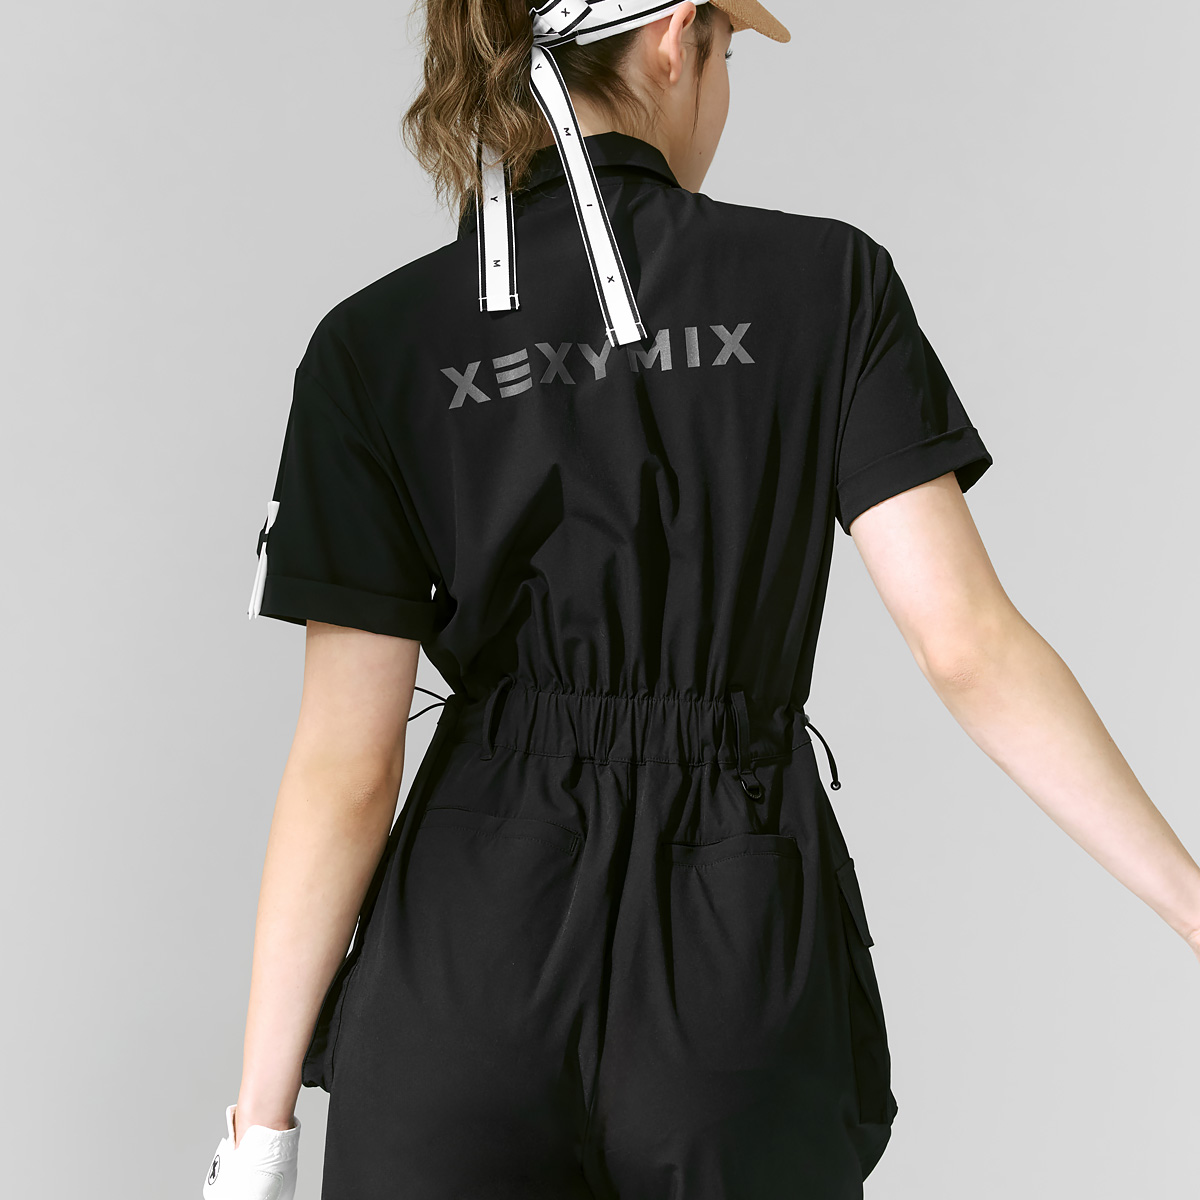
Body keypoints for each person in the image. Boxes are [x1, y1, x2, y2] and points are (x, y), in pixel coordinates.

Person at [204, 1, 1200, 1197]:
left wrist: (259, 1137)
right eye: (729, 56)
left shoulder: (372, 342)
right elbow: (966, 647)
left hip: (464, 956)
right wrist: (1191, 903)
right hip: (734, 941)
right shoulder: (828, 283)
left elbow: (346, 766)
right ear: (678, 39)